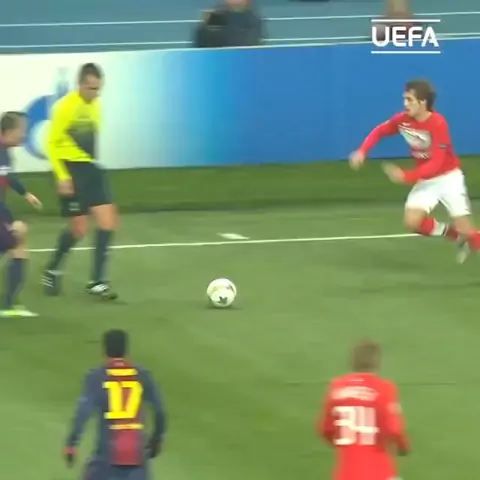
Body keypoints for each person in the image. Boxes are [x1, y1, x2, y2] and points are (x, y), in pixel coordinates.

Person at [350, 79, 480, 263]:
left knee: (467, 228)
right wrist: (362, 151)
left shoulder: (438, 123)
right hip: (426, 180)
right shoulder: (403, 120)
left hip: (449, 178)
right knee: (412, 222)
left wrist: (406, 176)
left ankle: (468, 236)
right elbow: (380, 131)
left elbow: (436, 163)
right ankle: (456, 236)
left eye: (409, 100)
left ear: (423, 102)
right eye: (405, 99)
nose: (405, 104)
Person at [42, 63, 118, 300]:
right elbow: (51, 143)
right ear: (80, 84)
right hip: (70, 169)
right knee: (79, 229)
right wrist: (62, 176)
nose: (95, 93)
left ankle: (97, 280)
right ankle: (52, 268)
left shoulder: (95, 105)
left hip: (90, 168)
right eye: (91, 88)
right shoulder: (65, 107)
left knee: (108, 222)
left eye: (98, 88)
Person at [64, 329, 167, 480]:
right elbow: (160, 410)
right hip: (137, 458)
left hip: (106, 459)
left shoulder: (97, 377)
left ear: (104, 350)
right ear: (126, 350)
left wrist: (71, 444)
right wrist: (157, 439)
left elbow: (83, 413)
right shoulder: (143, 375)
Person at [317, 340, 409, 480]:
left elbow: (326, 430)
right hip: (379, 472)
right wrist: (403, 446)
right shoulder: (384, 388)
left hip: (345, 474)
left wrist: (347, 445)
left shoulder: (337, 387)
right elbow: (394, 430)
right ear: (377, 362)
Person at [0, 112, 42, 317]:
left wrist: (26, 193)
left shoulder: (5, 153)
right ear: (8, 131)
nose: (24, 135)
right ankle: (8, 304)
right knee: (16, 235)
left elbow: (7, 176)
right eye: (22, 130)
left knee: (18, 235)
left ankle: (9, 303)